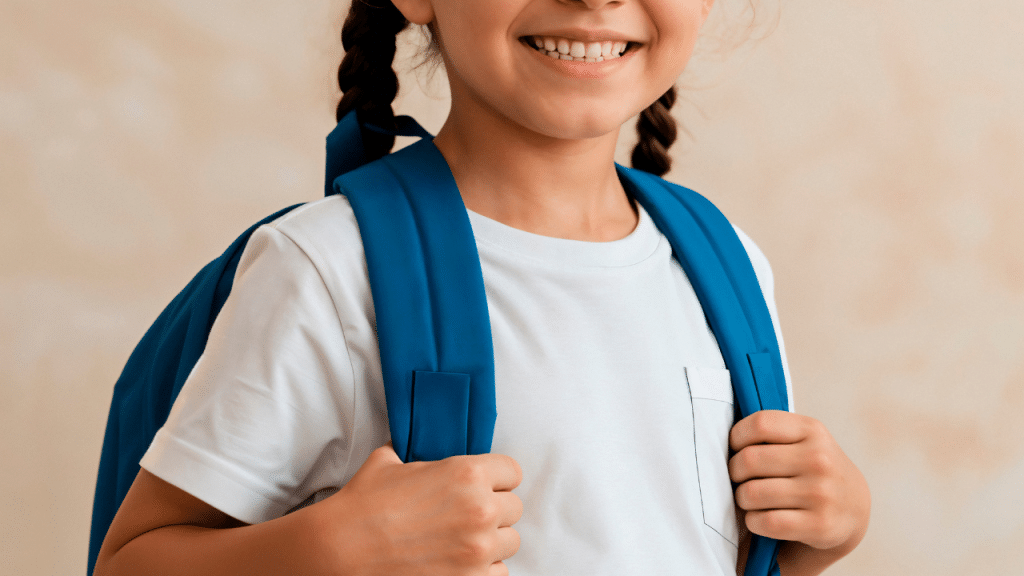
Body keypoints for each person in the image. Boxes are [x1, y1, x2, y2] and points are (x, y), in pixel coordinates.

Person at [93, 0, 871, 574]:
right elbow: (133, 562)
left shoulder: (727, 265)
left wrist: (817, 539)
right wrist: (331, 550)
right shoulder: (328, 269)